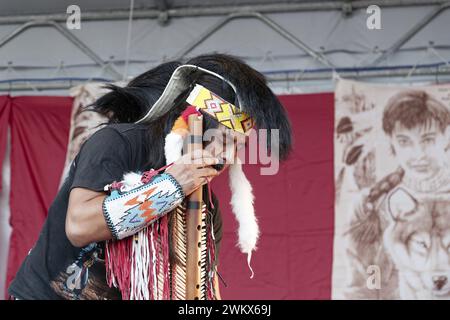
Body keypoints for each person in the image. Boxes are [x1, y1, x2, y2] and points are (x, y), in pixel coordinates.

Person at [8, 54, 292, 300]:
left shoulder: (207, 206)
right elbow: (80, 226)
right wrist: (170, 187)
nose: (227, 158)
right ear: (190, 123)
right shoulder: (118, 142)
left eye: (238, 148)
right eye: (224, 141)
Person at [344, 90, 450, 299]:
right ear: (390, 140)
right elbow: (360, 286)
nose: (418, 154)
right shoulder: (369, 205)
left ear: (446, 136)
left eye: (427, 139)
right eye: (404, 141)